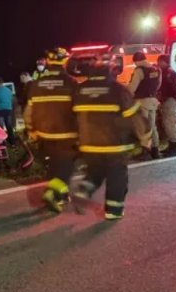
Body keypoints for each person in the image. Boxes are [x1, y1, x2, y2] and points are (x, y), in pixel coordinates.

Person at [73, 57, 150, 220]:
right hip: (114, 145)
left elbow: (70, 117)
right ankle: (113, 211)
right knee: (117, 176)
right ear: (110, 71)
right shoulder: (117, 89)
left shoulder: (80, 90)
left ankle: (83, 190)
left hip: (88, 145)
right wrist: (145, 137)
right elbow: (135, 116)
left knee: (95, 172)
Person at [24, 47, 78, 213]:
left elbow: (28, 111)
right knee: (68, 166)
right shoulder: (71, 82)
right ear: (64, 61)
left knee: (55, 164)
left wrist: (31, 130)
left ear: (47, 61)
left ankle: (62, 194)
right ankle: (52, 192)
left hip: (44, 134)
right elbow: (79, 109)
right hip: (67, 134)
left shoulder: (36, 84)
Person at [127, 51, 162, 159]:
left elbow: (132, 88)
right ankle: (155, 150)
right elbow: (158, 85)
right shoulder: (156, 69)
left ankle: (145, 151)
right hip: (153, 100)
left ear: (136, 61)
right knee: (152, 126)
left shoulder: (139, 70)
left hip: (142, 101)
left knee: (143, 127)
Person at [157, 55, 176, 157]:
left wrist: (166, 97)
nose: (158, 63)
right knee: (167, 123)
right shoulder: (167, 72)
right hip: (169, 99)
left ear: (164, 62)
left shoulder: (168, 73)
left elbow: (172, 88)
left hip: (170, 100)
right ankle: (171, 146)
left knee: (169, 123)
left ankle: (174, 148)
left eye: (160, 61)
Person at [0, 76, 16, 144]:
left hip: (0, 111)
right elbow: (12, 100)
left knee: (0, 128)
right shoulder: (8, 90)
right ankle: (12, 141)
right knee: (9, 126)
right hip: (8, 110)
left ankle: (2, 142)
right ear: (2, 83)